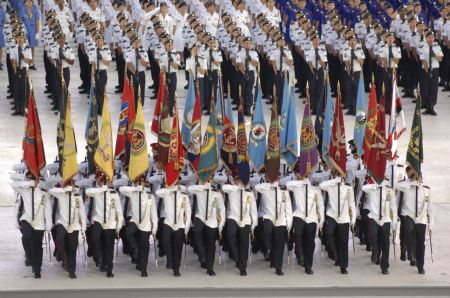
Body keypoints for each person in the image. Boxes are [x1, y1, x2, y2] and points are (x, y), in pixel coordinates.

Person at [12, 173, 52, 278]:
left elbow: (47, 210)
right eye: (28, 179)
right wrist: (28, 183)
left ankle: (37, 268)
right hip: (27, 220)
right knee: (26, 237)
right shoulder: (24, 191)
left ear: (38, 180)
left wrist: (48, 225)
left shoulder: (44, 194)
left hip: (39, 223)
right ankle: (29, 256)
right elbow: (14, 185)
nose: (30, 180)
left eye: (32, 179)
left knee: (37, 246)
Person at [396, 167, 434, 274]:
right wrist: (409, 181)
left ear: (422, 178)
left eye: (419, 177)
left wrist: (431, 225)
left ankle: (420, 265)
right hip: (410, 215)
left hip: (421, 218)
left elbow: (430, 209)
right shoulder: (407, 187)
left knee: (421, 242)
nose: (418, 179)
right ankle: (410, 252)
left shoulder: (427, 190)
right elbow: (397, 185)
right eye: (415, 177)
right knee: (408, 231)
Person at [85, 171, 124, 278]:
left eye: (105, 181)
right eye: (103, 181)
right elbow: (87, 191)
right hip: (98, 220)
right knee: (95, 238)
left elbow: (119, 211)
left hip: (111, 222)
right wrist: (102, 189)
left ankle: (109, 269)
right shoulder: (97, 191)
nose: (104, 182)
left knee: (109, 246)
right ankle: (100, 256)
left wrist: (119, 227)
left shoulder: (114, 194)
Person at [119, 175, 158, 277]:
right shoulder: (133, 193)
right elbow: (121, 189)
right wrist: (135, 188)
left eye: (142, 182)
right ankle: (135, 248)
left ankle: (143, 269)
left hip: (146, 223)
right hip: (135, 220)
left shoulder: (150, 196)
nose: (140, 183)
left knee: (145, 247)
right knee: (128, 232)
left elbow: (154, 213)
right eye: (138, 182)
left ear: (145, 183)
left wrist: (155, 228)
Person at [286, 174, 324, 275]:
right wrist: (301, 182)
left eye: (306, 175)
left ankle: (308, 266)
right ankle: (299, 253)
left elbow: (320, 205)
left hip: (311, 217)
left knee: (310, 243)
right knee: (297, 234)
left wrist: (322, 221)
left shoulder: (315, 189)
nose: (305, 176)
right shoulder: (297, 187)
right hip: (299, 215)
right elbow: (287, 184)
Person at [49, 181, 87, 279]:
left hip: (74, 225)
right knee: (59, 239)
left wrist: (83, 227)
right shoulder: (61, 194)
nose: (70, 186)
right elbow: (51, 190)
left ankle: (72, 271)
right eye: (68, 184)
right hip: (63, 223)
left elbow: (82, 212)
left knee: (72, 248)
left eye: (71, 185)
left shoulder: (78, 197)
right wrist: (64, 189)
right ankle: (64, 259)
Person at [319, 175, 356, 274]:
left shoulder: (348, 188)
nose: (340, 177)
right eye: (337, 175)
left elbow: (352, 203)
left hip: (344, 217)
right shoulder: (331, 185)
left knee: (343, 242)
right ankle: (335, 252)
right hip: (332, 215)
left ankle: (343, 266)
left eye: (341, 175)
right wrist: (334, 181)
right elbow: (321, 185)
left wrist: (354, 219)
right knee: (329, 233)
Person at [254, 181, 293, 276]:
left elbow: (288, 208)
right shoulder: (265, 189)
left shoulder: (283, 191)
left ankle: (278, 267)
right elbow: (256, 187)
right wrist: (269, 184)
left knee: (279, 244)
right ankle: (270, 250)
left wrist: (289, 223)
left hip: (281, 219)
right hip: (269, 217)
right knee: (267, 233)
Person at [188, 181, 226, 276]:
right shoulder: (199, 190)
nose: (208, 181)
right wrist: (203, 187)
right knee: (196, 232)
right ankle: (202, 255)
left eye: (210, 180)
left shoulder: (217, 193)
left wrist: (221, 225)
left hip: (212, 220)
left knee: (211, 245)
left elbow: (222, 209)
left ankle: (210, 268)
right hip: (200, 217)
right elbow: (189, 189)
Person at [222, 178, 257, 276]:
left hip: (245, 219)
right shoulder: (232, 189)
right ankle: (236, 255)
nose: (239, 182)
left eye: (241, 180)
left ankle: (243, 267)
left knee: (244, 244)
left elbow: (253, 211)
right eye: (237, 180)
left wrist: (253, 226)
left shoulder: (249, 193)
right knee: (230, 235)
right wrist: (236, 187)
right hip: (234, 217)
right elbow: (223, 187)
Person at [361, 180, 397, 274]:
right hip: (374, 216)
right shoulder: (371, 188)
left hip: (386, 218)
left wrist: (394, 222)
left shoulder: (389, 190)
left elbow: (393, 207)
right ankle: (375, 250)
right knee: (373, 235)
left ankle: (385, 266)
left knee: (385, 243)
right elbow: (363, 188)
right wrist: (375, 185)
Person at [156, 185, 192, 277]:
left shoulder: (184, 197)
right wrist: (170, 189)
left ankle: (176, 269)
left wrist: (186, 228)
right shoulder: (166, 194)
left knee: (178, 247)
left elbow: (188, 212)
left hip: (180, 225)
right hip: (168, 223)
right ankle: (170, 260)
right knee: (165, 241)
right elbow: (157, 192)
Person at [420, 31, 443, 116]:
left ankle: (432, 107)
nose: (431, 39)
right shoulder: (423, 46)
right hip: (425, 69)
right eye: (429, 37)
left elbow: (440, 58)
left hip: (435, 69)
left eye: (432, 37)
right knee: (426, 88)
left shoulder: (437, 46)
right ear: (426, 38)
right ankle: (427, 106)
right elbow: (422, 58)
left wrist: (434, 56)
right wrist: (426, 67)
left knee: (433, 88)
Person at [10, 30, 32, 116]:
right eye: (19, 38)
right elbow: (12, 60)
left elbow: (30, 61)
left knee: (24, 90)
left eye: (22, 38)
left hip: (24, 70)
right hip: (16, 69)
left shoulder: (27, 48)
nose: (20, 39)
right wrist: (15, 70)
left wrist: (23, 57)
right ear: (15, 38)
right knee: (16, 90)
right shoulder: (13, 48)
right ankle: (17, 109)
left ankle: (24, 109)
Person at [236, 36, 258, 117]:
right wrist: (244, 73)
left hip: (251, 72)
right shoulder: (239, 52)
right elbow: (239, 63)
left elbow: (256, 64)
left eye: (249, 43)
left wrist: (250, 59)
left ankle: (248, 109)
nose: (248, 45)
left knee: (249, 91)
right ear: (243, 44)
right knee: (242, 90)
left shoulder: (254, 53)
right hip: (243, 72)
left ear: (251, 44)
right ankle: (242, 108)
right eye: (246, 43)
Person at [90, 32, 111, 114]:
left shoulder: (106, 50)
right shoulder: (93, 50)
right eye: (98, 41)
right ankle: (97, 108)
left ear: (103, 41)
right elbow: (93, 63)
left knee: (102, 90)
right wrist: (94, 74)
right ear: (95, 42)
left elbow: (108, 63)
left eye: (101, 41)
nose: (99, 43)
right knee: (96, 90)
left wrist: (102, 58)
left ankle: (102, 108)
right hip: (96, 72)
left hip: (103, 72)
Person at [126, 33, 149, 107]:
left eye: (138, 42)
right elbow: (129, 64)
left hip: (141, 73)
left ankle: (140, 106)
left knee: (141, 90)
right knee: (133, 90)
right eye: (135, 42)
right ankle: (133, 106)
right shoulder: (129, 52)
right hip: (133, 73)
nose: (137, 44)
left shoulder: (143, 52)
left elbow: (146, 64)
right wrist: (134, 73)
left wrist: (140, 58)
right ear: (132, 43)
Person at [160, 39, 180, 116]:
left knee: (172, 92)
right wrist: (164, 75)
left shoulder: (176, 55)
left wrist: (171, 61)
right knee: (165, 93)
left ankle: (171, 109)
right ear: (165, 46)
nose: (169, 46)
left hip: (173, 75)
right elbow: (162, 67)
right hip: (166, 74)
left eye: (171, 45)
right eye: (167, 45)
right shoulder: (162, 56)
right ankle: (165, 109)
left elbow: (176, 67)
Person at [20, 0, 40, 69]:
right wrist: (22, 30)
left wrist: (37, 32)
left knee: (32, 47)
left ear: (32, 2)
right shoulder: (22, 9)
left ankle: (31, 63)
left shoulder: (35, 8)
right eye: (27, 2)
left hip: (33, 29)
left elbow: (37, 21)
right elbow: (21, 20)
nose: (28, 3)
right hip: (25, 29)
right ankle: (25, 62)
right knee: (25, 46)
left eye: (30, 2)